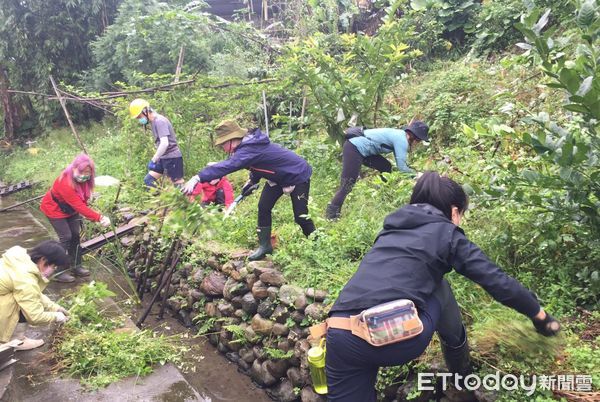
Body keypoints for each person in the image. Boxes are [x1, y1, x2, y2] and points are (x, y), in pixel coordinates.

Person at [323, 172, 560, 401]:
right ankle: (461, 371)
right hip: (395, 337)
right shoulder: (447, 233)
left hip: (339, 333)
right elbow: (496, 280)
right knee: (440, 286)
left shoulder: (388, 232)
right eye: (462, 214)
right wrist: (540, 315)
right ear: (454, 211)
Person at [183, 120, 315, 260]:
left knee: (301, 216)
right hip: (277, 178)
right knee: (263, 207)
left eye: (223, 144)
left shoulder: (249, 148)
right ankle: (265, 247)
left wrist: (199, 177)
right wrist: (252, 180)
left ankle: (317, 243)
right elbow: (258, 164)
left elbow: (230, 165)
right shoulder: (246, 147)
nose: (222, 147)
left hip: (297, 174)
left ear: (232, 139)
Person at [326, 120, 429, 220]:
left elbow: (401, 163)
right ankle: (331, 214)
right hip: (354, 147)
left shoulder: (399, 135)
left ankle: (383, 195)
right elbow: (402, 168)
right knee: (347, 184)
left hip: (365, 150)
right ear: (414, 137)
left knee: (386, 167)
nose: (418, 143)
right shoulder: (401, 140)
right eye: (419, 140)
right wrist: (418, 175)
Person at [40, 153, 111, 282]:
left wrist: (95, 216)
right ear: (74, 169)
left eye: (88, 172)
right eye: (81, 171)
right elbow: (79, 206)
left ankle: (76, 266)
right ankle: (58, 271)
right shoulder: (65, 182)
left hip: (70, 210)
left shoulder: (85, 181)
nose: (84, 174)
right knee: (66, 237)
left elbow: (83, 200)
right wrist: (99, 217)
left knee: (75, 235)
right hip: (54, 209)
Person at [0, 240, 71, 350]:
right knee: (22, 304)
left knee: (25, 298)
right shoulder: (26, 279)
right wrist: (56, 317)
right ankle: (16, 341)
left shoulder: (20, 261)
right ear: (43, 260)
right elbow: (35, 316)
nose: (53, 270)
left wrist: (54, 307)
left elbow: (32, 292)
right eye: (54, 266)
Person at [129, 98, 185, 188]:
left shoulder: (160, 121)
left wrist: (154, 159)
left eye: (139, 117)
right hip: (163, 158)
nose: (139, 119)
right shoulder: (153, 122)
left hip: (172, 158)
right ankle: (161, 201)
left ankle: (187, 200)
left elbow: (164, 143)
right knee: (149, 180)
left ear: (145, 111)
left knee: (178, 186)